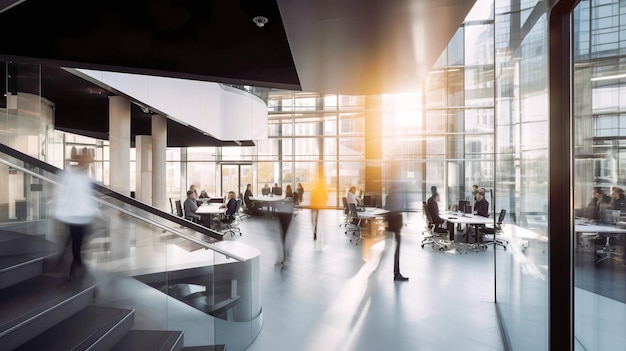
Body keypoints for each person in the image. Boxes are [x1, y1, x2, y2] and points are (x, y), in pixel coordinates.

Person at [52, 152, 99, 280]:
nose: (87, 164)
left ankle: (66, 260)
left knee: (74, 239)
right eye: (87, 161)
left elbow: (88, 197)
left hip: (81, 215)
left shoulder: (84, 178)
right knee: (77, 241)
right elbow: (61, 194)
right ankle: (78, 264)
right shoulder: (69, 176)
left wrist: (94, 212)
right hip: (73, 215)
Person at [385, 183, 408, 281]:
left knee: (386, 250)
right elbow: (399, 209)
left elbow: (387, 209)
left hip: (389, 225)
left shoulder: (388, 196)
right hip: (396, 225)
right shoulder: (396, 197)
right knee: (396, 250)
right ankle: (396, 273)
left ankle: (373, 268)